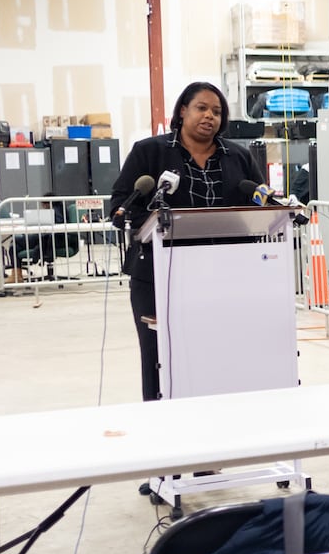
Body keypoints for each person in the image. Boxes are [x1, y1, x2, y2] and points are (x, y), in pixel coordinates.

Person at [110, 81, 258, 401]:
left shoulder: (239, 157)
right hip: (158, 272)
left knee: (218, 350)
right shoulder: (149, 152)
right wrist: (153, 223)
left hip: (223, 272)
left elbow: (258, 202)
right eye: (202, 108)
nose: (210, 117)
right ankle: (160, 419)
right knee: (159, 354)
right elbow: (122, 204)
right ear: (182, 111)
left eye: (217, 111)